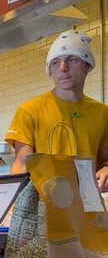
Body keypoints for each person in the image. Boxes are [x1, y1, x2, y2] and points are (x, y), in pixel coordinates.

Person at [6, 29, 108, 192]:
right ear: (50, 72)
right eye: (55, 62)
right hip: (44, 209)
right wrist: (12, 210)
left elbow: (105, 161)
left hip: (88, 208)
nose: (63, 68)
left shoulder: (102, 113)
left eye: (72, 60)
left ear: (87, 66)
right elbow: (21, 165)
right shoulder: (30, 110)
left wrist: (106, 170)